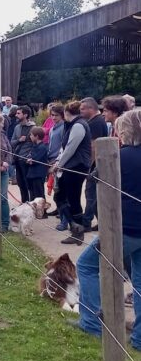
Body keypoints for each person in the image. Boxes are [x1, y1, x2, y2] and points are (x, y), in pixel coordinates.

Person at [73, 110, 141, 345]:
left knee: (87, 265)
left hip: (125, 228)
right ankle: (140, 338)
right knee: (140, 281)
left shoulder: (119, 156)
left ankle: (91, 323)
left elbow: (94, 177)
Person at [50, 101, 91, 245]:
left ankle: (77, 231)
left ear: (66, 113)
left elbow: (71, 148)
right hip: (70, 167)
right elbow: (65, 147)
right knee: (60, 197)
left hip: (76, 167)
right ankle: (74, 226)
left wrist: (58, 165)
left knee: (72, 199)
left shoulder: (79, 125)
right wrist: (58, 162)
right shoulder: (73, 125)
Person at [80, 97, 109, 232]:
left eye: (83, 109)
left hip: (94, 164)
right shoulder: (94, 121)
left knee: (90, 194)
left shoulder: (96, 123)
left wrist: (88, 166)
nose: (80, 111)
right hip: (97, 164)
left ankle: (86, 223)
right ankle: (101, 222)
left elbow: (93, 146)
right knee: (94, 196)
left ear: (91, 108)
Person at [10, 105, 35, 203]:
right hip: (17, 158)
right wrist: (19, 140)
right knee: (21, 183)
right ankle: (24, 203)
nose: (16, 115)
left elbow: (36, 145)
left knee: (29, 184)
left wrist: (30, 156)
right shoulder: (17, 127)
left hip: (26, 160)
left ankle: (32, 204)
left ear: (25, 115)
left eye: (18, 113)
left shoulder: (33, 128)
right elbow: (11, 142)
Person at [26, 127, 48, 200]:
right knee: (32, 195)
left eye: (32, 135)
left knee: (39, 195)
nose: (30, 136)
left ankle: (42, 211)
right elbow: (29, 156)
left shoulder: (42, 147)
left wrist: (31, 160)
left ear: (37, 136)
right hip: (31, 174)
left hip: (38, 175)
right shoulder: (34, 146)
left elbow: (35, 159)